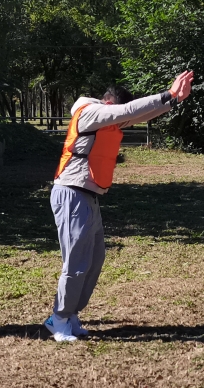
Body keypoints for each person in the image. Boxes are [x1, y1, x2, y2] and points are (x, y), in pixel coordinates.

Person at [47, 72, 194, 342]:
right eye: (116, 109)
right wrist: (168, 93)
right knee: (77, 262)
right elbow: (128, 111)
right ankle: (59, 318)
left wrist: (173, 101)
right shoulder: (90, 112)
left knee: (95, 259)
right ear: (107, 102)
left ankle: (71, 313)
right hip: (71, 193)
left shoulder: (107, 116)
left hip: (88, 196)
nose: (120, 117)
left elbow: (139, 114)